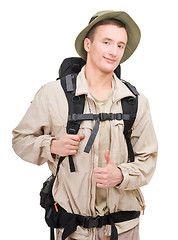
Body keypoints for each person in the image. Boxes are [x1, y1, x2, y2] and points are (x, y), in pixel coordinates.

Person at [12, 10, 158, 240]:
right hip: (73, 230)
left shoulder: (136, 102)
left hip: (123, 229)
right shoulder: (53, 94)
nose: (114, 51)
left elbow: (148, 160)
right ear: (88, 44)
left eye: (120, 45)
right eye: (107, 42)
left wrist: (120, 175)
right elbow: (20, 140)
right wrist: (51, 145)